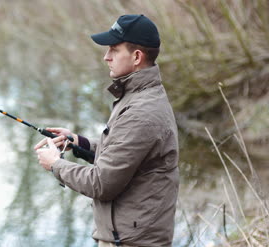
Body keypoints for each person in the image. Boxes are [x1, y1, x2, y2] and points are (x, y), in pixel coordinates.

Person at [34, 14, 179, 247]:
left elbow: (102, 184)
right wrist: (78, 142)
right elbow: (124, 154)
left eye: (113, 49)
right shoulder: (138, 95)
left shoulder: (142, 111)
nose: (106, 57)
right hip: (127, 236)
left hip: (132, 241)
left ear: (137, 57)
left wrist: (56, 164)